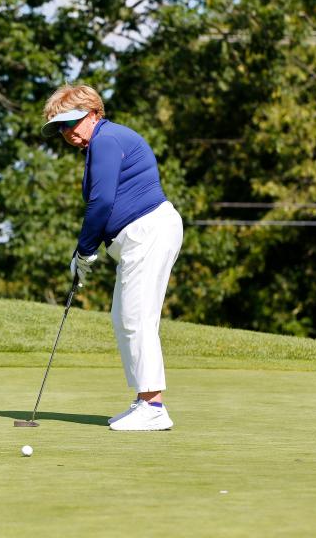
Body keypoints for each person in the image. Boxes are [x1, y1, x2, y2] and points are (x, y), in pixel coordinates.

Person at [41, 84, 184, 431]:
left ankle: (153, 406)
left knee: (137, 319)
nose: (67, 132)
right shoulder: (101, 144)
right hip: (141, 237)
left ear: (93, 113)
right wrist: (86, 250)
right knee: (125, 318)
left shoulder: (106, 139)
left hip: (148, 231)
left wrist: (85, 250)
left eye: (71, 122)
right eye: (60, 127)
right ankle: (144, 401)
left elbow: (101, 202)